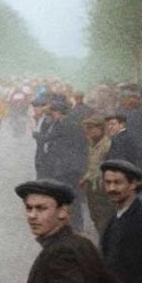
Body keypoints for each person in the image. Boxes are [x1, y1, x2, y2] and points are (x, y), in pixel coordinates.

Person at [15, 179, 123, 283]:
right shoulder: (82, 243)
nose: (32, 216)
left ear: (63, 212)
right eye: (29, 208)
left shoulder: (59, 252)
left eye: (41, 209)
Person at [39, 97, 89, 231]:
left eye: (53, 112)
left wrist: (36, 134)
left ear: (59, 112)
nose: (52, 115)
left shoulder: (63, 124)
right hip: (73, 165)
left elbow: (47, 138)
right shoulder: (74, 123)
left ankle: (72, 223)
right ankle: (77, 223)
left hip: (65, 166)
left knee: (66, 194)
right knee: (74, 194)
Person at [100, 159, 142, 283]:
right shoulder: (114, 219)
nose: (111, 188)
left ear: (133, 184)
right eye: (108, 183)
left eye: (118, 183)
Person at [78, 116, 115, 235]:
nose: (88, 131)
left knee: (104, 218)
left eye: (91, 128)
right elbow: (93, 166)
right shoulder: (92, 145)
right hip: (92, 186)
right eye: (87, 129)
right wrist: (86, 178)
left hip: (102, 187)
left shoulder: (107, 145)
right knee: (95, 216)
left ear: (100, 129)